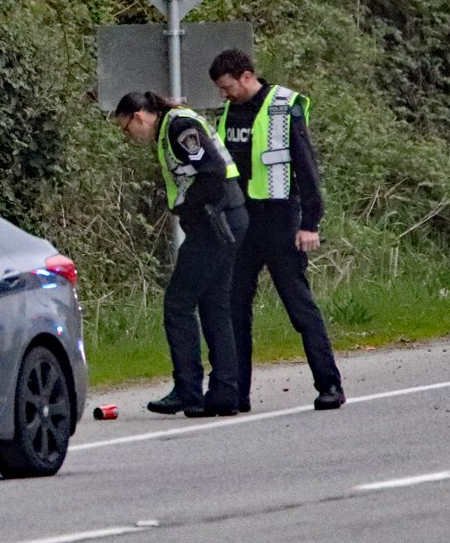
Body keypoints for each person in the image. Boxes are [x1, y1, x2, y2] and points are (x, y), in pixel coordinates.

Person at [208, 49, 345, 411]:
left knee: (299, 307)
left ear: (246, 75)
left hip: (280, 218)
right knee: (234, 309)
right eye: (221, 89)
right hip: (240, 223)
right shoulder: (225, 114)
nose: (225, 94)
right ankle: (237, 393)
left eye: (228, 86)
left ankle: (329, 384)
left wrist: (310, 223)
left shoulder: (283, 107)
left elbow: (306, 167)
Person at [114, 91, 249, 417]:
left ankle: (188, 390)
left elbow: (213, 171)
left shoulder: (178, 127)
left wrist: (188, 207)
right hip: (228, 217)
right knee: (214, 304)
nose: (129, 136)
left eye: (126, 128)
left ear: (139, 116)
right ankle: (225, 393)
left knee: (178, 302)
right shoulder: (170, 128)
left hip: (216, 222)